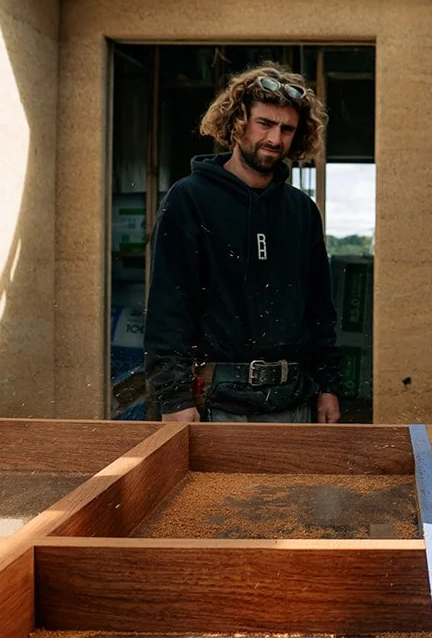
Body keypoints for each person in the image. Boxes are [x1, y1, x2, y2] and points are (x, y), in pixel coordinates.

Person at [144, 62, 341, 425]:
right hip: (218, 403)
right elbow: (168, 306)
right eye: (264, 123)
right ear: (238, 123)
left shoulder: (301, 211)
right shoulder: (189, 199)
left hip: (294, 401)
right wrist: (173, 397)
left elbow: (320, 311)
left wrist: (328, 386)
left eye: (287, 129)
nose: (275, 139)